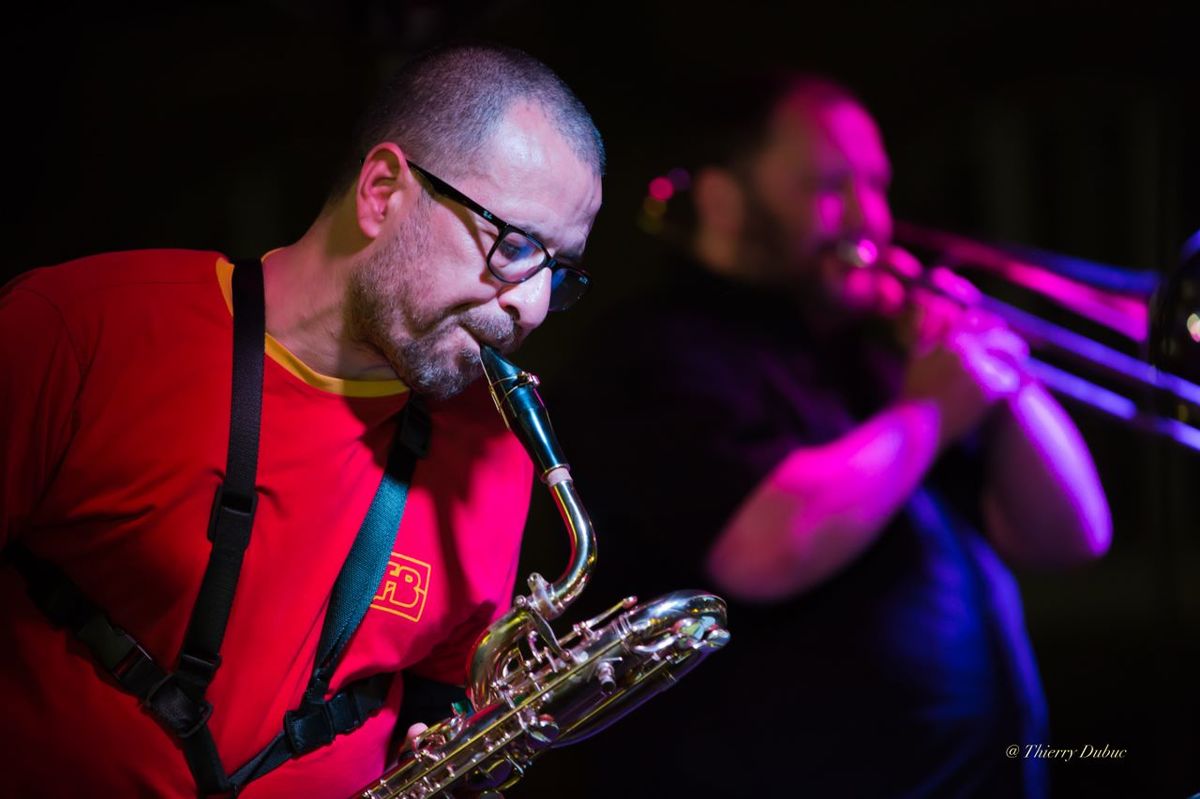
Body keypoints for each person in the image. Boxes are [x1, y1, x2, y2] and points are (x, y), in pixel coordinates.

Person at [0, 44, 603, 798]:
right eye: (514, 246)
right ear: (382, 191)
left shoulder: (501, 452)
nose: (533, 306)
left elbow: (438, 692)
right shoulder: (79, 329)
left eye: (560, 270)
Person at [524, 75, 1111, 797]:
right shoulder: (656, 353)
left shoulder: (877, 351)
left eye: (876, 185)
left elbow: (1073, 535)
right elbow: (759, 551)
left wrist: (1001, 378)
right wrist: (929, 413)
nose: (871, 218)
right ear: (724, 200)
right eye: (830, 187)